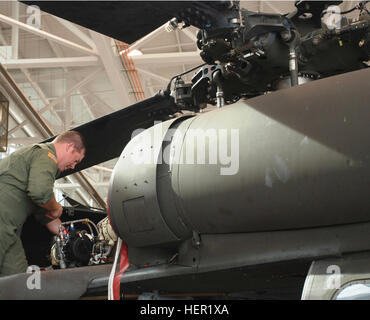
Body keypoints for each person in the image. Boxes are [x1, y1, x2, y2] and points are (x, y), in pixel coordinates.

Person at [0, 131, 85, 276]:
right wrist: (56, 207)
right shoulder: (46, 155)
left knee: (16, 278)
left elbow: (46, 215)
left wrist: (71, 236)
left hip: (10, 231)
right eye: (76, 160)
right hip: (3, 224)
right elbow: (40, 193)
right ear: (70, 147)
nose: (73, 167)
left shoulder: (39, 164)